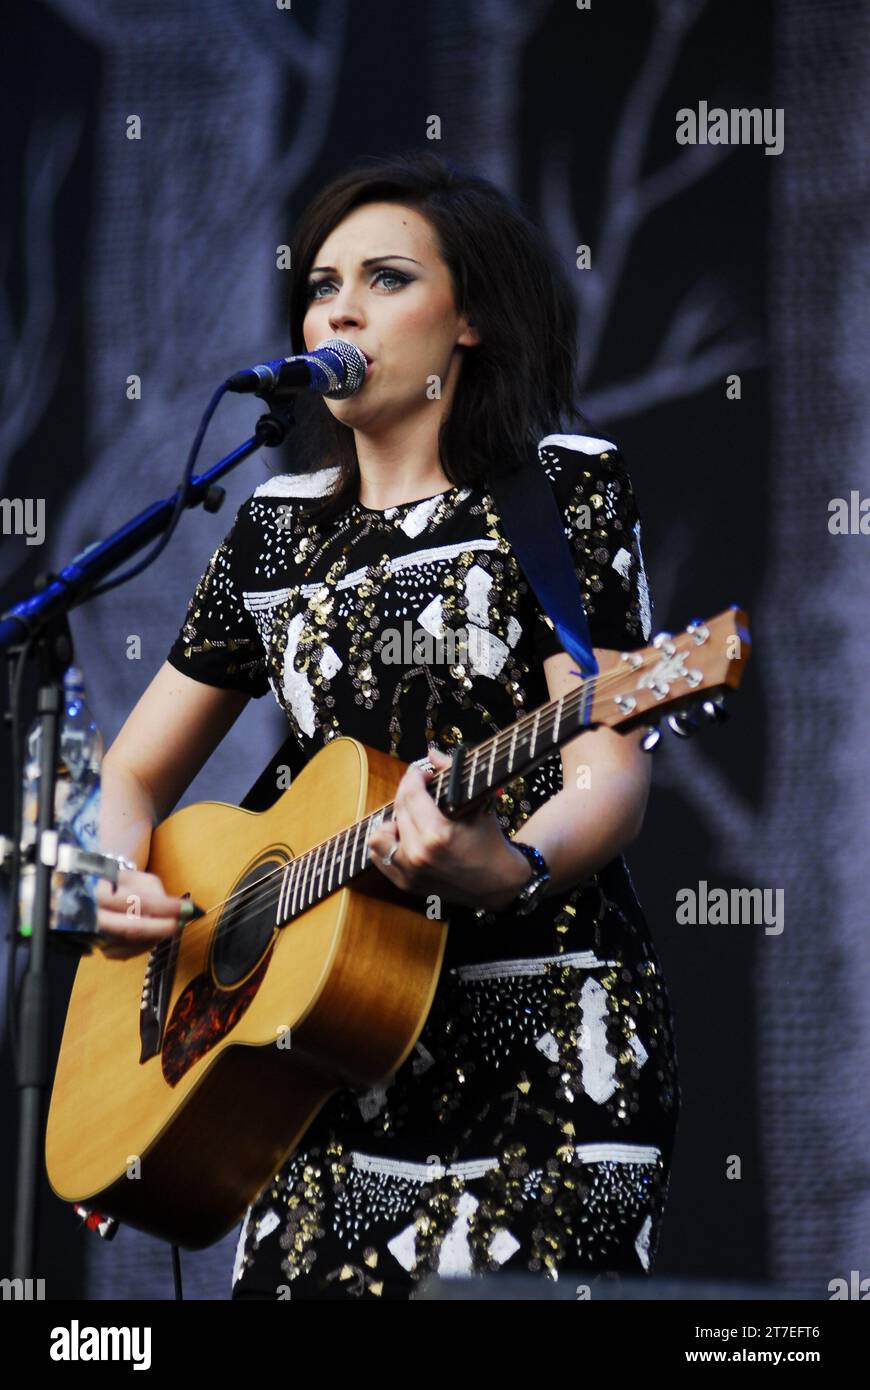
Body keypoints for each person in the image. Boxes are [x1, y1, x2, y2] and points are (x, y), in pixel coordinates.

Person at [96, 152, 680, 1300]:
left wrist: (508, 864)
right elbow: (130, 772)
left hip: (543, 1045)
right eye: (321, 284)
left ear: (470, 319)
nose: (339, 307)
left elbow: (608, 766)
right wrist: (120, 881)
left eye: (386, 277)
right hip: (314, 1057)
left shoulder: (562, 490)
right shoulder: (276, 527)